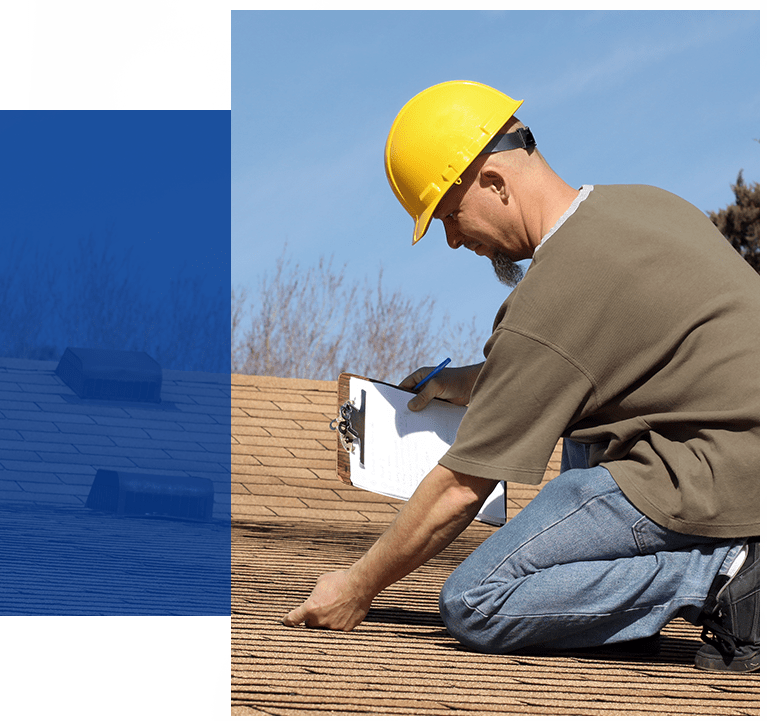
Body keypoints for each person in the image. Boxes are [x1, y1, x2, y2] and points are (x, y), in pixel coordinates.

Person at [282, 80, 760, 673]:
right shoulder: (638, 206)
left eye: (449, 216)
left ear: (496, 182)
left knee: (473, 602)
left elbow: (461, 488)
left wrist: (358, 584)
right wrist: (464, 382)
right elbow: (578, 363)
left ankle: (721, 577)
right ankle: (621, 618)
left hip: (711, 480)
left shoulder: (554, 294)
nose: (454, 241)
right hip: (739, 455)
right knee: (581, 427)